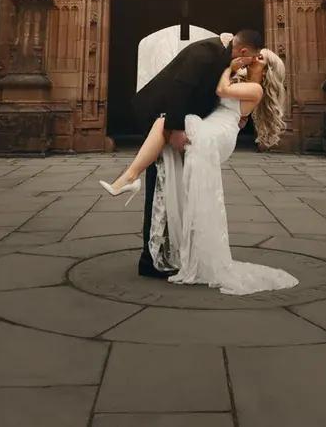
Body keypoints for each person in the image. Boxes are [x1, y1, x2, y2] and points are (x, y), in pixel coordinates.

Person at [99, 29, 261, 278]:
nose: (251, 62)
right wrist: (174, 128)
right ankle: (150, 259)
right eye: (253, 57)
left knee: (176, 190)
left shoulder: (225, 58)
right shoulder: (205, 53)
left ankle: (172, 251)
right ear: (244, 51)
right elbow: (178, 90)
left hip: (190, 125)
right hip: (163, 117)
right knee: (160, 188)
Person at [159, 45, 297, 295]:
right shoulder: (242, 81)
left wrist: (227, 68)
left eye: (261, 58)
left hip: (217, 135)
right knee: (198, 195)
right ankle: (194, 255)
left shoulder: (254, 88)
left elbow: (222, 90)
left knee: (163, 125)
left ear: (266, 68)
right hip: (215, 128)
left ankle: (130, 176)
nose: (255, 57)